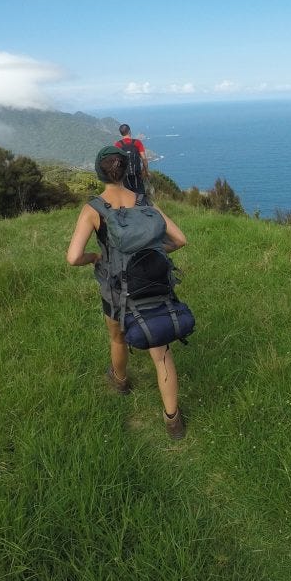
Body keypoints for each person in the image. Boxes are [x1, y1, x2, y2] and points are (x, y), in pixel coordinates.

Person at [66, 145, 189, 439]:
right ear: (126, 170)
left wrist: (95, 258)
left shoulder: (93, 209)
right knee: (161, 352)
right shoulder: (146, 202)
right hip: (156, 285)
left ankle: (120, 380)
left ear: (99, 172)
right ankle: (173, 420)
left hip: (117, 292)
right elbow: (180, 239)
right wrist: (157, 250)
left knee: (117, 337)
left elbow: (73, 257)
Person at [115, 123, 150, 197]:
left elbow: (116, 161)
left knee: (127, 196)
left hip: (124, 176)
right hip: (137, 174)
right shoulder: (137, 142)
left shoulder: (118, 144)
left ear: (121, 133)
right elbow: (144, 158)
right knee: (140, 196)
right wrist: (146, 171)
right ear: (130, 131)